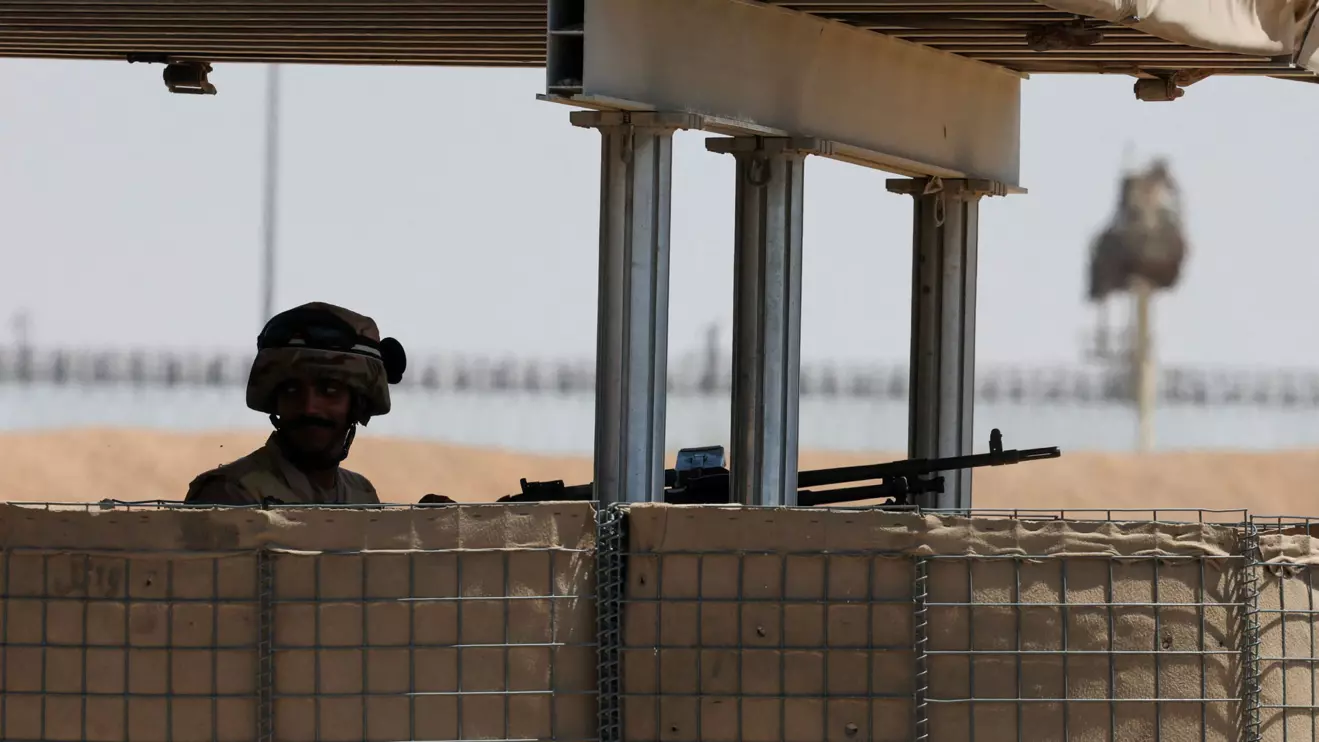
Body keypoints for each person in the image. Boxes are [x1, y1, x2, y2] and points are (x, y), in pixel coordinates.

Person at [184, 301, 407, 506]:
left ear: (357, 405)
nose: (309, 407)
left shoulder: (361, 495)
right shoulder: (230, 494)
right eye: (291, 390)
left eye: (329, 390)